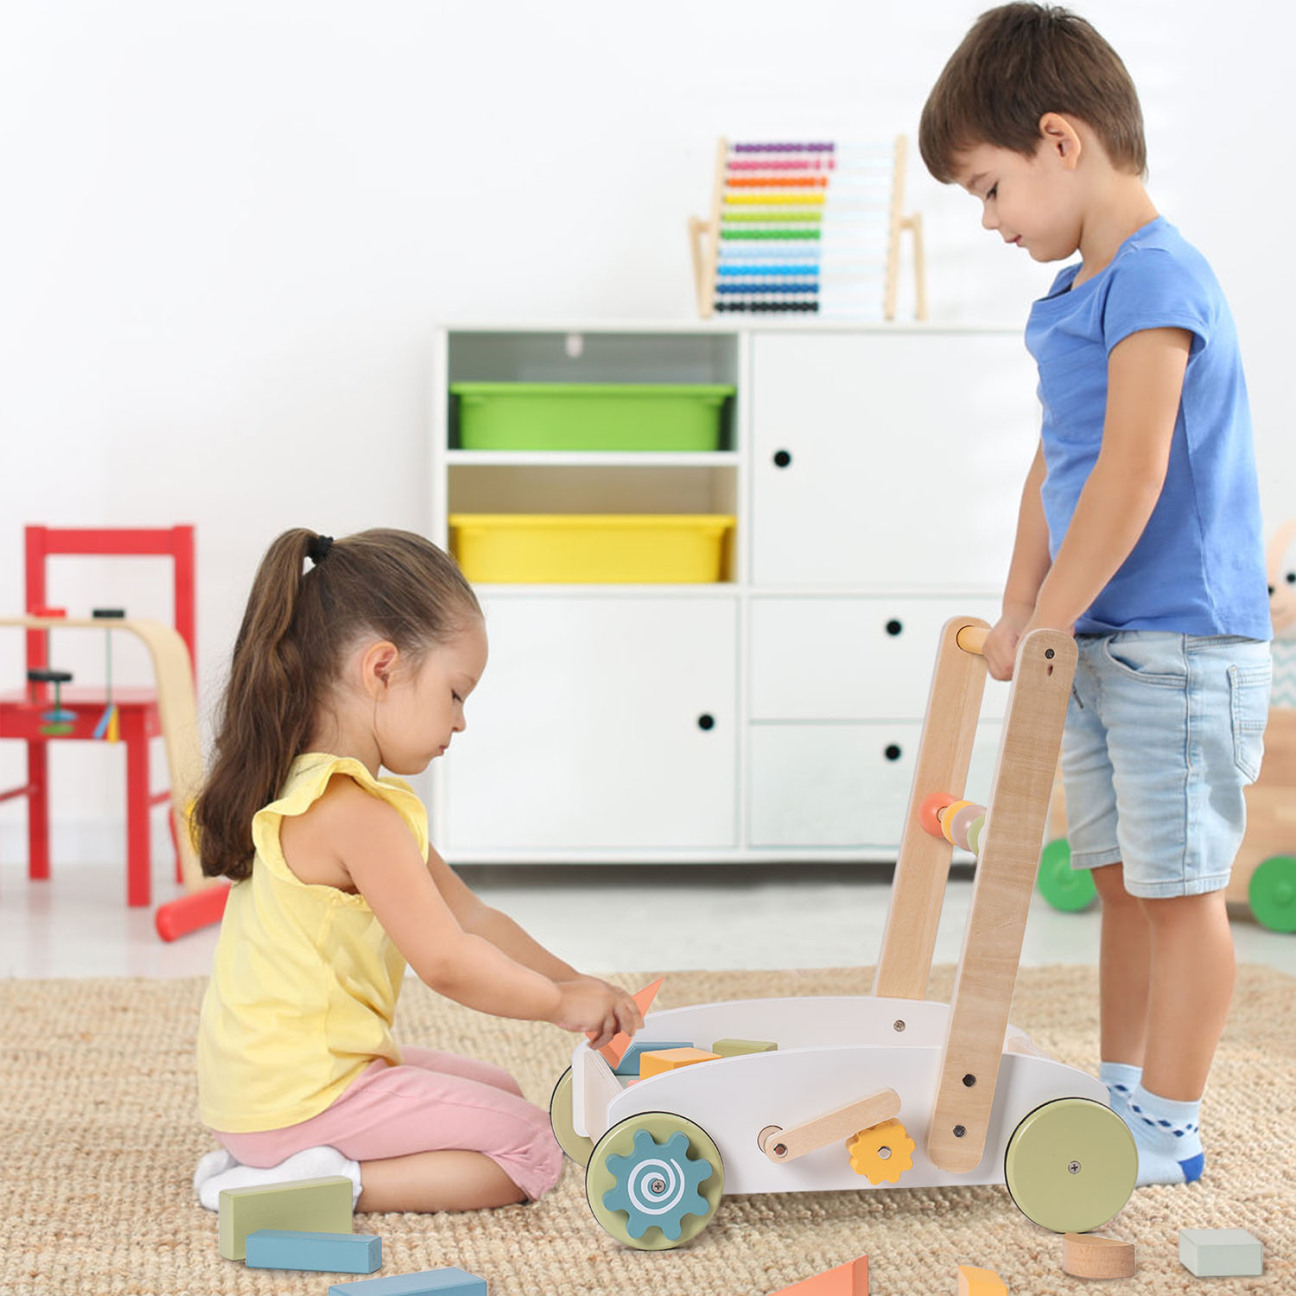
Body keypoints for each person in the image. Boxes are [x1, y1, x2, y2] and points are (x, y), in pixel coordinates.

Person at [919, 4, 1271, 1186]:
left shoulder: (1160, 273)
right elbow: (1055, 465)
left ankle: (1169, 1119)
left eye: (988, 187)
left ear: (1059, 141)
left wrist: (1060, 612)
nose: (989, 220)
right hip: (1107, 639)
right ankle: (1120, 1093)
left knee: (1181, 894)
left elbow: (1135, 468)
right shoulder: (1076, 292)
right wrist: (1024, 605)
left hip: (1179, 639)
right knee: (1121, 883)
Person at [191, 527, 644, 1213]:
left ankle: (279, 1159)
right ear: (381, 668)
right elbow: (448, 959)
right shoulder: (353, 813)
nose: (461, 723)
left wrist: (573, 979)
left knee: (501, 1090)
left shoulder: (331, 792)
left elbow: (473, 917)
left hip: (267, 1090)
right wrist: (557, 1006)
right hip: (301, 1097)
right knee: (530, 1146)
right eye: (456, 693)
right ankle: (300, 1185)